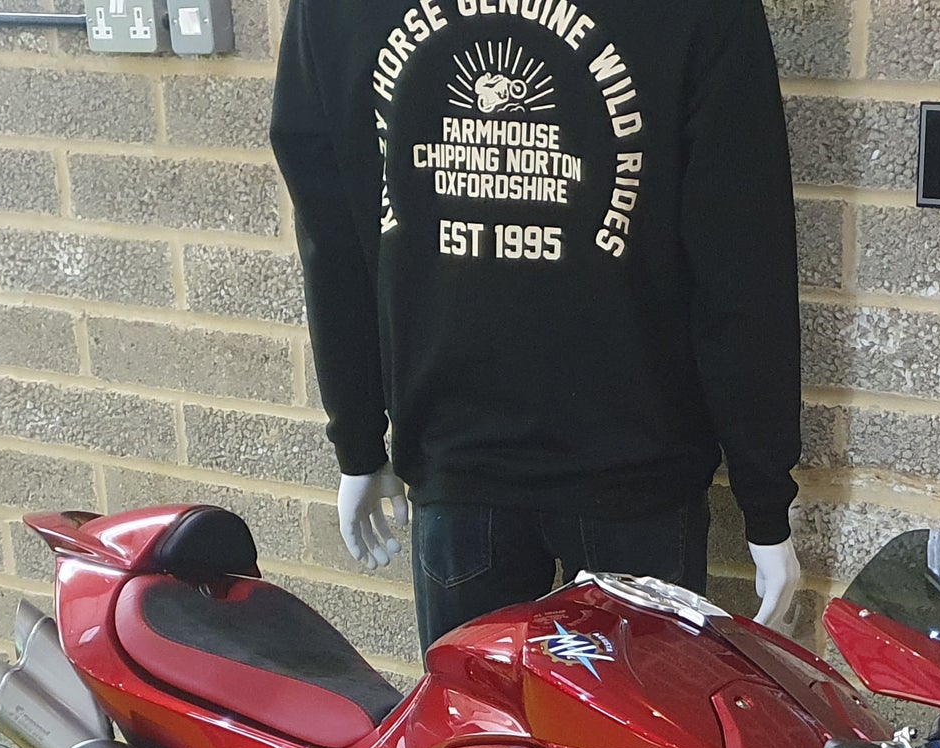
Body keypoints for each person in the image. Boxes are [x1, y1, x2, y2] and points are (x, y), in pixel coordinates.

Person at [271, 0, 805, 652]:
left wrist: (359, 443)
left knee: (476, 719)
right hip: (619, 462)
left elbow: (331, 237)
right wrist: (764, 503)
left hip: (477, 459)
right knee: (608, 721)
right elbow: (743, 261)